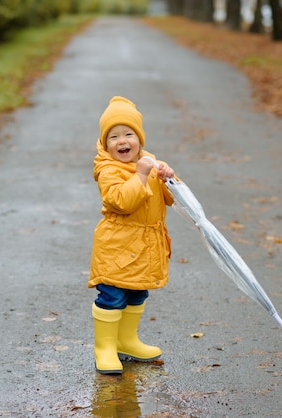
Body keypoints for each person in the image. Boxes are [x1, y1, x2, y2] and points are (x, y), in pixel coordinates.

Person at [88, 96, 175, 374]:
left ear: (139, 139)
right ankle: (105, 348)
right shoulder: (108, 169)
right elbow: (120, 201)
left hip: (145, 245)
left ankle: (126, 341)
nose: (122, 141)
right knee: (113, 295)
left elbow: (171, 199)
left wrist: (170, 178)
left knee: (138, 292)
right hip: (116, 246)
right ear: (105, 143)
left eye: (129, 134)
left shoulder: (150, 163)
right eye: (113, 136)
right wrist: (139, 176)